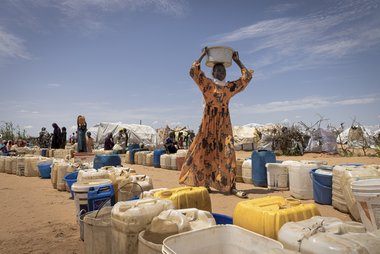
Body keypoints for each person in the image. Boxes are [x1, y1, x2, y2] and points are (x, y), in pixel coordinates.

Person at [179, 47, 253, 198]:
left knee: (228, 153)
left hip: (224, 125)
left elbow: (246, 78)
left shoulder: (228, 88)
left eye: (223, 71)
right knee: (205, 152)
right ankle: (205, 183)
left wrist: (237, 61)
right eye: (218, 71)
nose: (221, 73)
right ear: (212, 73)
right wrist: (203, 55)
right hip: (208, 124)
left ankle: (230, 186)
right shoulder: (207, 85)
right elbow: (193, 71)